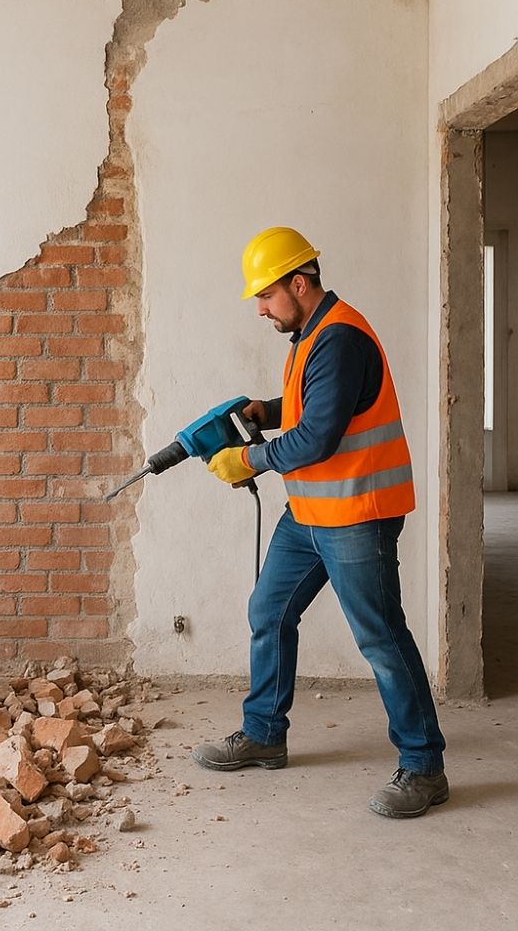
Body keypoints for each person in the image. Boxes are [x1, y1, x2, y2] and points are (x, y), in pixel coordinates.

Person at [191, 226, 448, 819]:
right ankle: (264, 735)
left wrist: (248, 457)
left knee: (381, 639)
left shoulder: (339, 338)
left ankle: (424, 767)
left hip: (357, 514)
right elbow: (317, 408)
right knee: (268, 612)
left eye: (264, 295)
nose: (259, 308)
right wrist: (266, 410)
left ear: (298, 284)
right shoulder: (312, 334)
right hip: (309, 514)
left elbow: (317, 438)